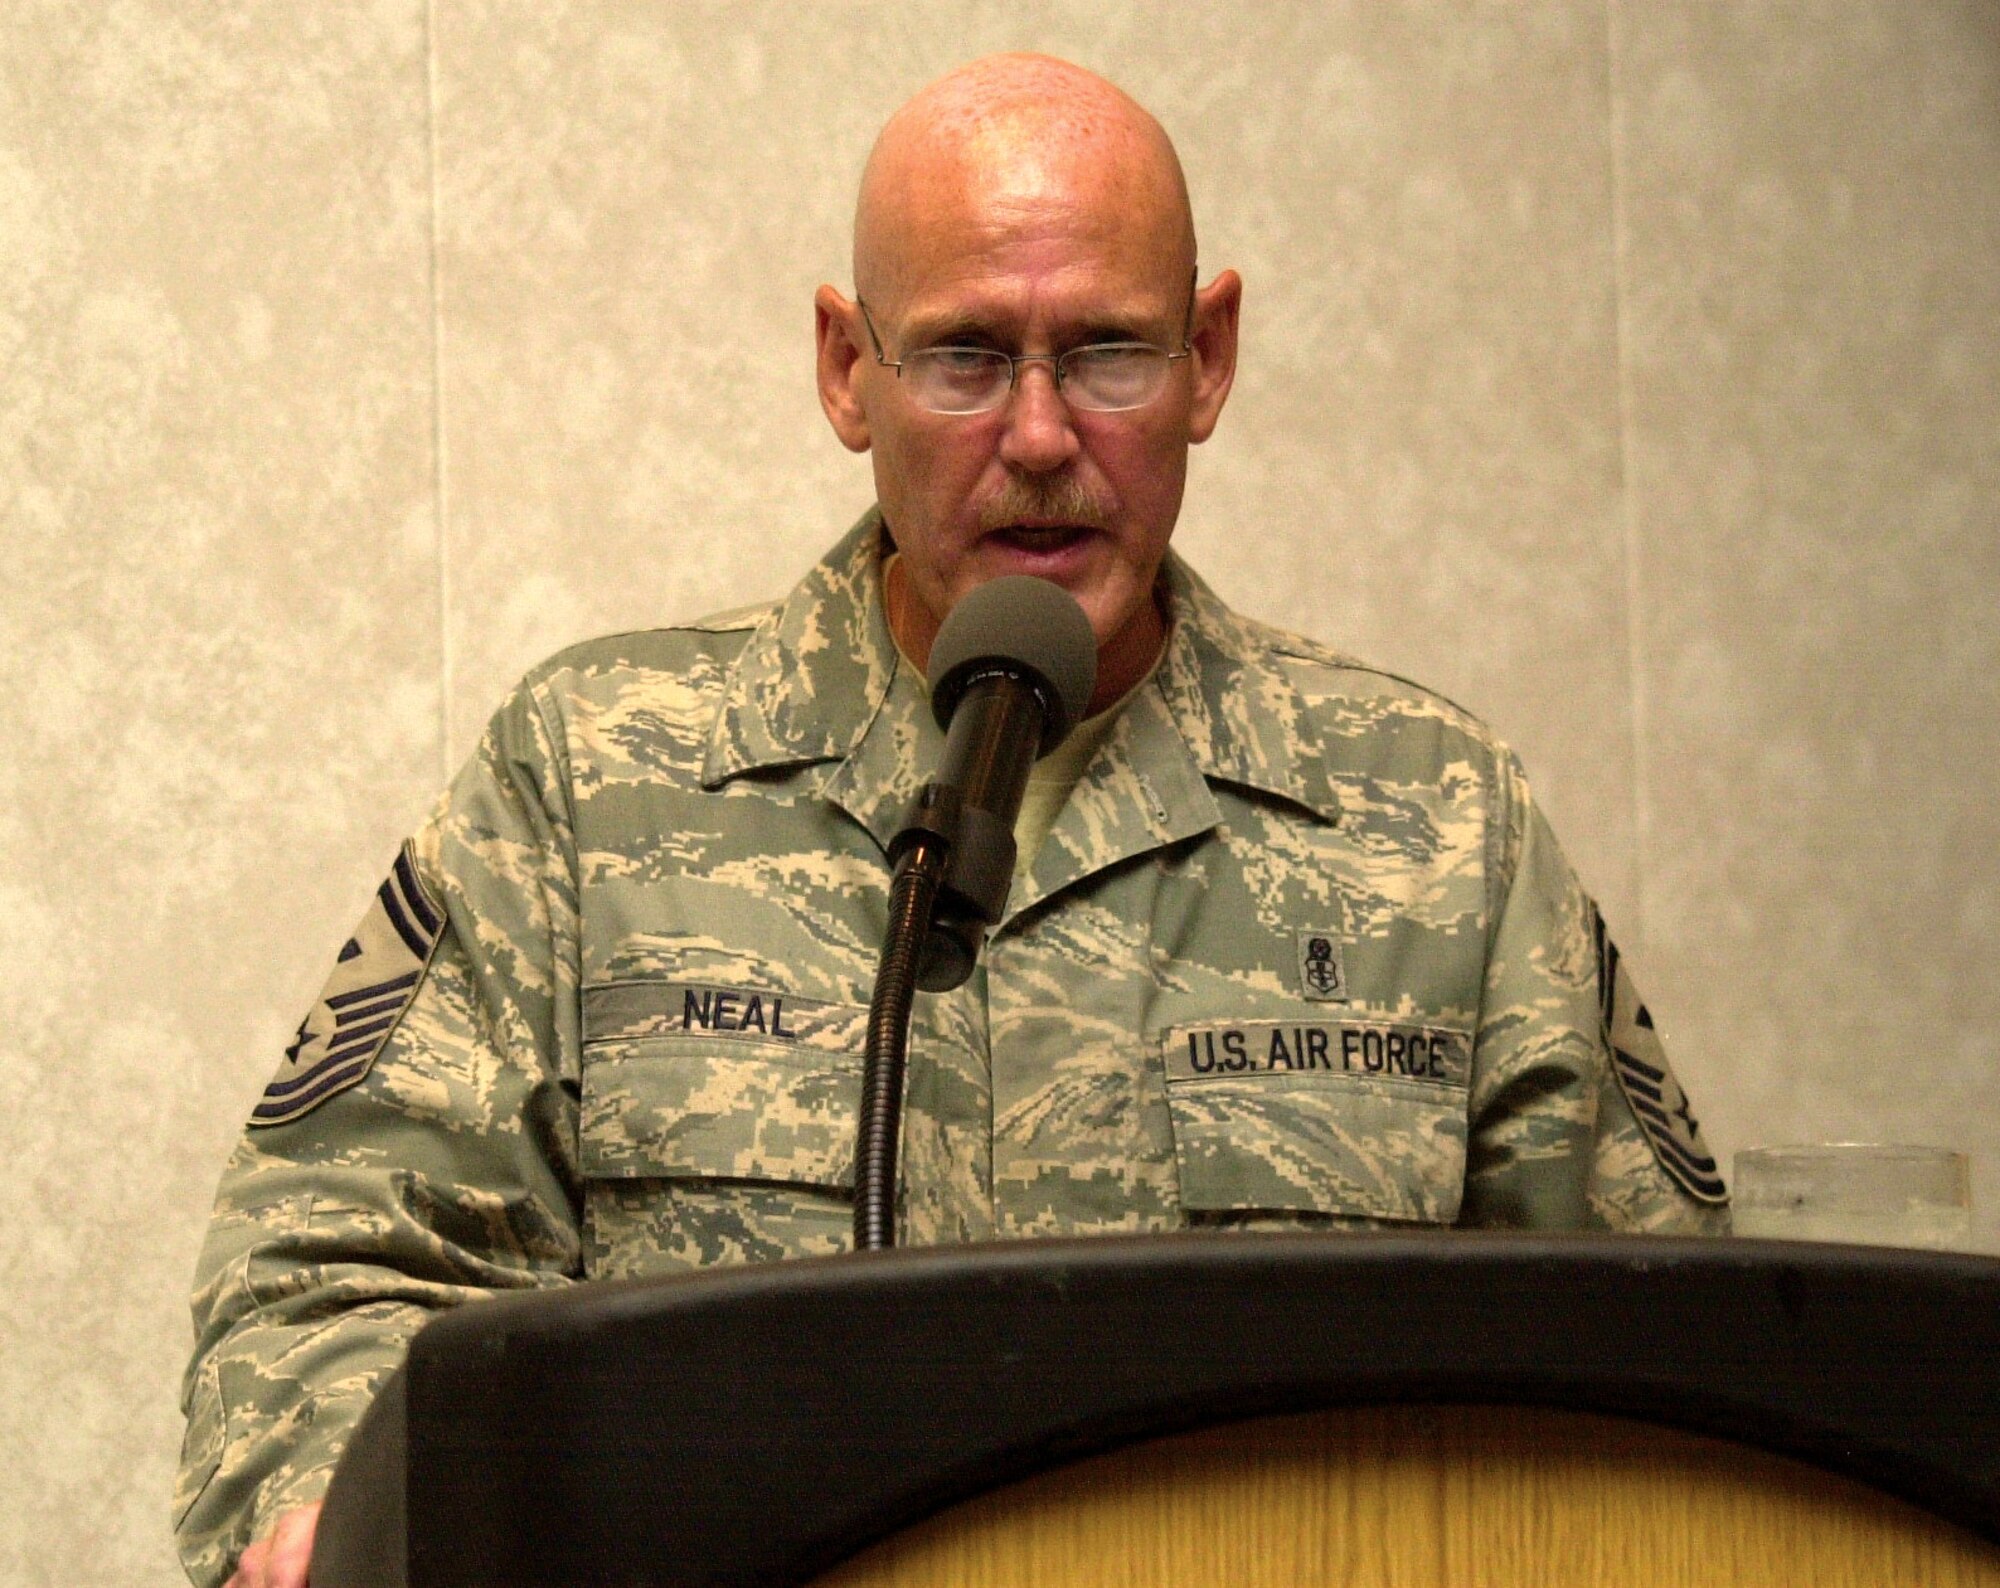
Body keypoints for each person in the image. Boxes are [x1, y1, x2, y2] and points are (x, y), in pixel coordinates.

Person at [178, 53, 1728, 1588]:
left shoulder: (1436, 822)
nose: (1043, 435)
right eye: (968, 357)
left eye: (1110, 352)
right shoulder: (594, 785)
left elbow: (1676, 1368)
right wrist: (340, 1517)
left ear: (1213, 358)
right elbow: (328, 1275)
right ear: (850, 370)